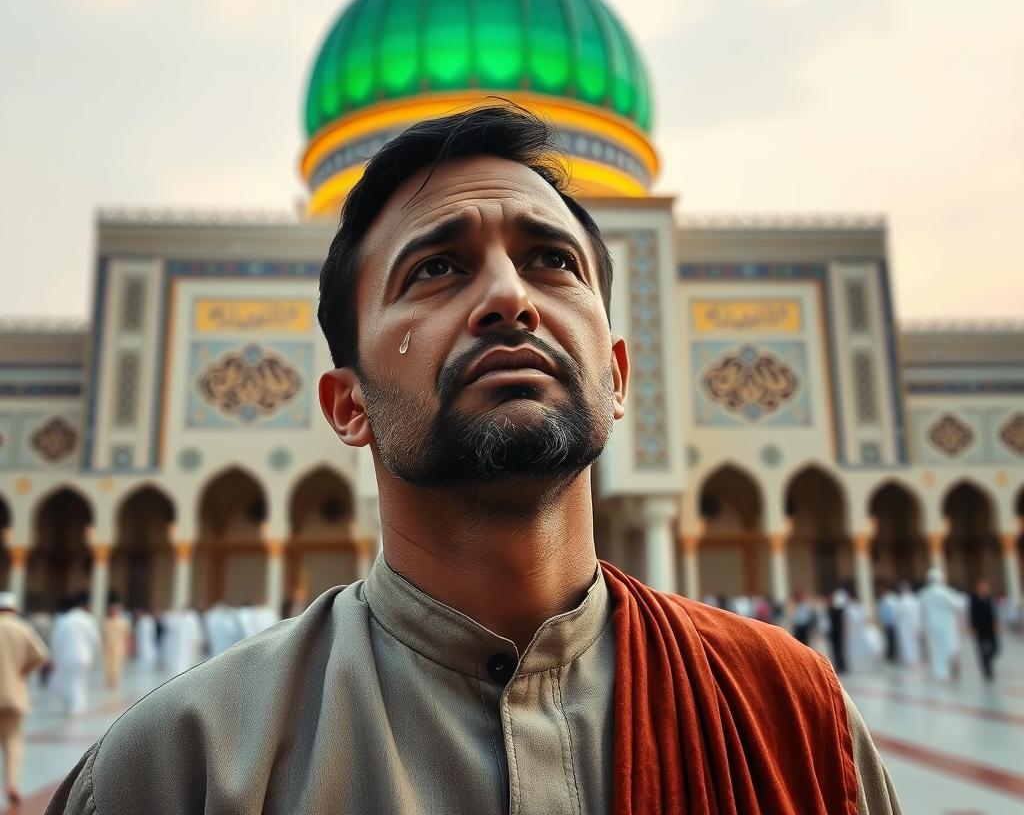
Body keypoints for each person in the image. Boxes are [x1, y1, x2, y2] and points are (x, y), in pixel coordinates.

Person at [46, 106, 901, 813]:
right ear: (349, 405)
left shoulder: (787, 715)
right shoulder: (185, 767)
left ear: (617, 373)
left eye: (551, 262)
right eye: (437, 268)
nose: (508, 300)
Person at [0, 591, 49, 806]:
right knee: (13, 741)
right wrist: (23, 671)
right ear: (14, 608)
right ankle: (11, 784)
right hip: (14, 694)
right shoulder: (22, 628)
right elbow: (41, 654)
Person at [50, 592, 100, 715]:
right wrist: (94, 654)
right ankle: (78, 706)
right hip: (85, 656)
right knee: (80, 682)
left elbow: (56, 640)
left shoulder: (63, 620)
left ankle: (74, 706)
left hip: (66, 657)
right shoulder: (87, 619)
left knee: (69, 681)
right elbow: (95, 639)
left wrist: (53, 657)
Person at [919, 567, 965, 682]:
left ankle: (940, 673)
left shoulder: (924, 593)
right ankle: (949, 671)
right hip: (946, 626)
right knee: (949, 648)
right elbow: (958, 605)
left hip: (931, 626)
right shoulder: (945, 592)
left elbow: (920, 610)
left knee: (936, 650)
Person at [968, 578, 999, 681]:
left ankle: (988, 661)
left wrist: (996, 623)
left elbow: (993, 611)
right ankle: (986, 669)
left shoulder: (990, 597)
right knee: (981, 649)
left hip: (990, 626)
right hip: (979, 627)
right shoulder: (974, 598)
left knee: (996, 648)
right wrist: (972, 626)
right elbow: (971, 613)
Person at [101, 598, 132, 689]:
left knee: (117, 664)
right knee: (108, 664)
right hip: (108, 647)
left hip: (119, 646)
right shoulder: (106, 621)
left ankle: (115, 680)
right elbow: (103, 635)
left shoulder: (123, 621)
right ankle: (109, 680)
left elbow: (127, 635)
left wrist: (128, 646)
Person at [894, 582, 921, 666]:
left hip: (905, 626)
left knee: (908, 643)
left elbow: (897, 616)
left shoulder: (902, 601)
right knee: (912, 643)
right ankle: (913, 660)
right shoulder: (913, 601)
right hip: (910, 625)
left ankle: (911, 660)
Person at [827, 587, 849, 674]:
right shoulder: (829, 610)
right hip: (833, 633)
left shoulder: (840, 611)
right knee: (835, 650)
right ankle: (838, 666)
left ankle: (842, 666)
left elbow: (843, 622)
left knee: (840, 650)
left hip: (838, 633)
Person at [876, 586, 899, 663]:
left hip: (891, 624)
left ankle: (892, 655)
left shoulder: (889, 601)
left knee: (892, 640)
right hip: (887, 625)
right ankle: (890, 655)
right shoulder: (883, 602)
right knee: (889, 641)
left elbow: (892, 614)